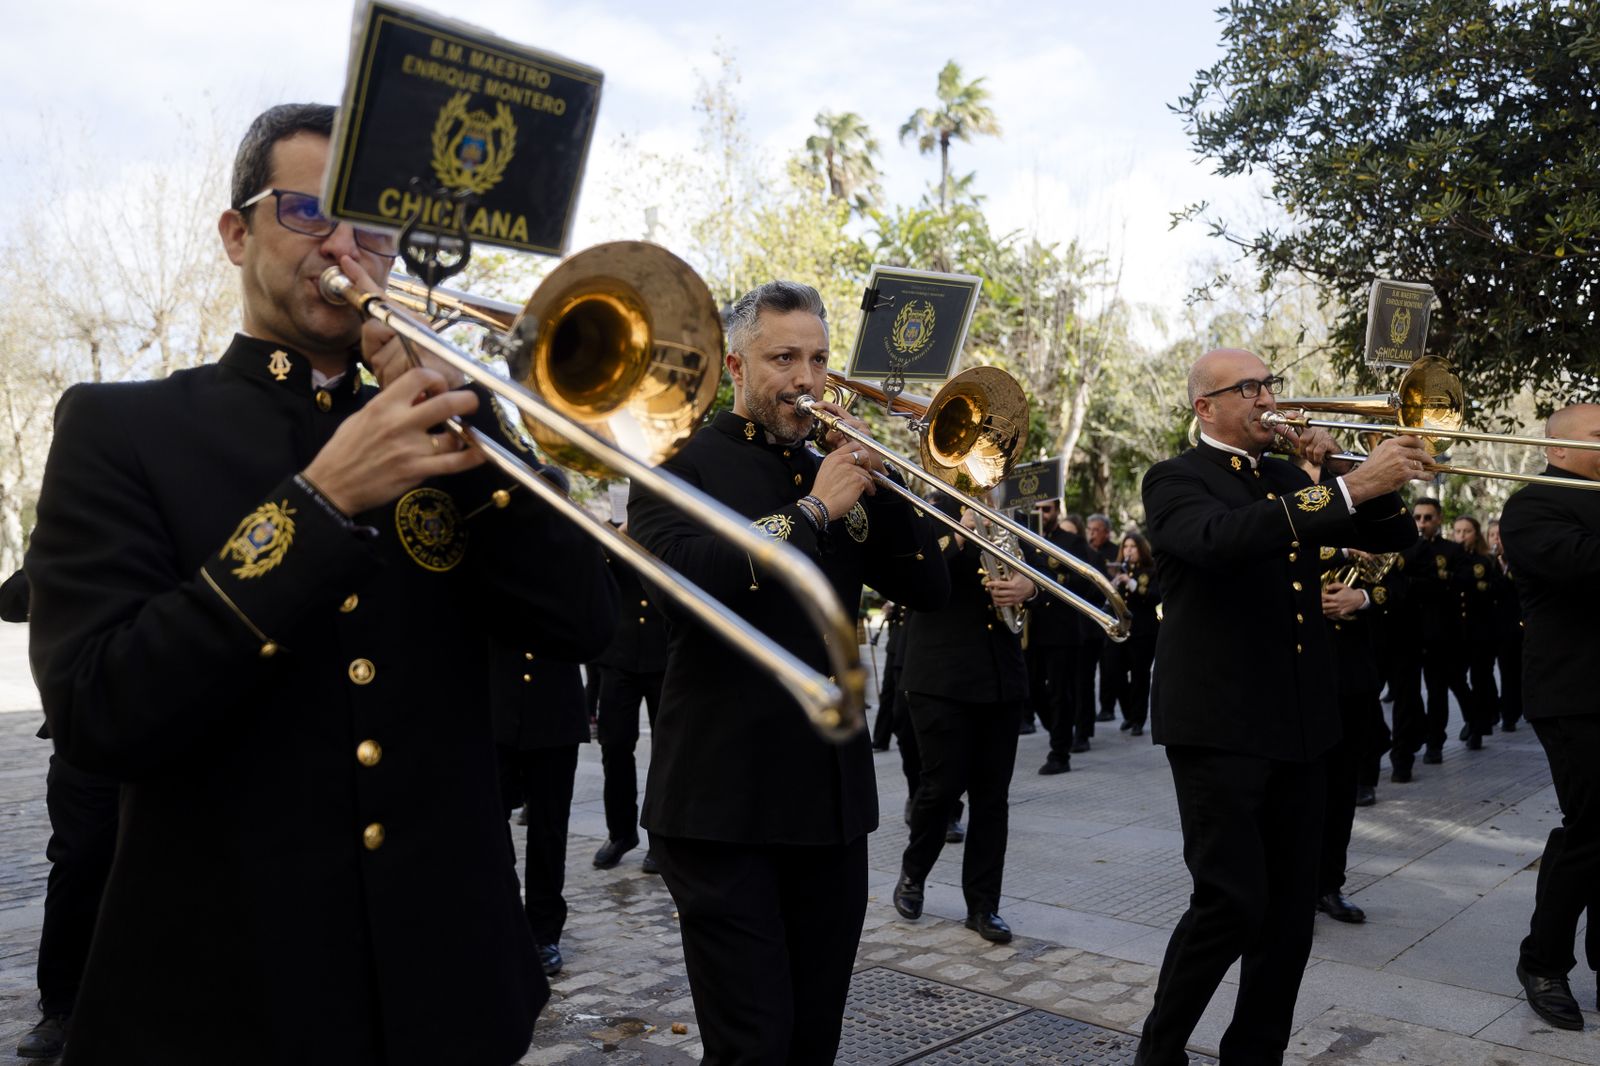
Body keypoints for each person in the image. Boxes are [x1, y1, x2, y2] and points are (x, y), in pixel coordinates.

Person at [24, 103, 618, 1065]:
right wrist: (317, 503)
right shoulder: (122, 429)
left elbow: (583, 622)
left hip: (449, 987)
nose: (345, 248)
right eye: (308, 212)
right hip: (230, 996)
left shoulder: (450, 434)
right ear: (237, 234)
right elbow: (99, 711)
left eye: (373, 229)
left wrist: (476, 426)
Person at [627, 280, 949, 1064]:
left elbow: (930, 587)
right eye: (783, 359)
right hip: (722, 805)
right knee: (753, 1045)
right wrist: (812, 513)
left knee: (813, 1038)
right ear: (736, 366)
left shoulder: (831, 469)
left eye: (818, 359)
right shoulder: (679, 461)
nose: (805, 378)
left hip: (829, 804)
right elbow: (687, 583)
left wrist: (884, 483)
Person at [1134, 348, 1420, 1065]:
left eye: (1270, 385)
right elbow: (1220, 540)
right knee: (1229, 901)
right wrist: (1348, 487)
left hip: (1301, 721)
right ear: (1206, 407)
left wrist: (1356, 474)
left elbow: (1395, 537)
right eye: (1250, 388)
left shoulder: (1290, 476)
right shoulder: (1175, 478)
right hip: (1220, 724)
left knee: (1290, 918)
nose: (1269, 399)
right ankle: (1159, 1052)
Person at [893, 495, 1035, 944]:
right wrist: (959, 533)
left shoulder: (1010, 521)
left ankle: (983, 905)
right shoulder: (924, 511)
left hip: (1000, 677)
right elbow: (912, 578)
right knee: (941, 788)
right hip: (942, 677)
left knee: (992, 799)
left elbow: (1036, 578)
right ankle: (914, 873)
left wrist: (1029, 589)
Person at [1499, 402, 1600, 1032]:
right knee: (1591, 828)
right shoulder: (1532, 505)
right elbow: (1587, 566)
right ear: (1558, 448)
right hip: (1577, 693)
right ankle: (1542, 961)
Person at [4, 571, 120, 1063]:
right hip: (87, 736)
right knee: (79, 866)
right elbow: (11, 601)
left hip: (180, 730)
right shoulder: (82, 543)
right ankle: (61, 1009)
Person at [493, 641, 588, 978]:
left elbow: (595, 632)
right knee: (488, 822)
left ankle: (543, 932)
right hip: (494, 704)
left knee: (549, 829)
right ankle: (502, 915)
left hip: (555, 707)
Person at [591, 524, 668, 874]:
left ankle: (660, 839)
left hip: (661, 654)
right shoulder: (610, 534)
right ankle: (620, 833)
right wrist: (617, 534)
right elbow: (594, 567)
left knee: (666, 752)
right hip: (619, 655)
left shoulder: (663, 523)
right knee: (614, 745)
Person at [1387, 497, 1472, 778]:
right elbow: (1396, 582)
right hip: (1406, 633)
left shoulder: (1452, 550)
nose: (1422, 523)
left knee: (1437, 691)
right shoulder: (1403, 547)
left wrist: (1419, 583)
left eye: (1428, 518)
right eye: (1417, 517)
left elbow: (1455, 585)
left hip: (1440, 634)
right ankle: (1404, 753)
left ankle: (1435, 743)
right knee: (1406, 696)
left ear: (1438, 520)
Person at [1026, 498, 1100, 772]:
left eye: (1047, 509)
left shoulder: (1071, 541)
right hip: (1031, 627)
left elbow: (1086, 581)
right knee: (1031, 687)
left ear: (1057, 510)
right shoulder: (1024, 536)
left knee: (1060, 692)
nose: (1041, 514)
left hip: (1061, 628)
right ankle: (1060, 729)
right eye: (1037, 509)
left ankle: (1059, 753)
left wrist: (1054, 580)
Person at [1452, 515, 1501, 747]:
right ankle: (1472, 717)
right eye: (1458, 531)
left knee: (1480, 679)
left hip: (1481, 630)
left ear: (1476, 534)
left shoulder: (1486, 560)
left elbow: (1496, 590)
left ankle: (1477, 730)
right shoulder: (1449, 557)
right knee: (1455, 677)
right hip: (1456, 631)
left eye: (1467, 531)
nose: (1462, 536)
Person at [1105, 532, 1161, 736]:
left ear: (1141, 549)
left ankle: (1138, 719)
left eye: (1133, 546)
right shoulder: (1119, 570)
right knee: (1114, 671)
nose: (1128, 550)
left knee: (1140, 676)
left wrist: (1130, 582)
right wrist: (1112, 586)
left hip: (1143, 631)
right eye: (1125, 546)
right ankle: (1128, 713)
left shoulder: (1151, 570)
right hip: (1121, 630)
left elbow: (1155, 596)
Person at [1486, 517, 1524, 731]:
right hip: (1490, 627)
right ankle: (1493, 711)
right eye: (1492, 535)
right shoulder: (1485, 562)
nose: (1496, 540)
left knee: (1511, 671)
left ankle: (1510, 714)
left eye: (1500, 535)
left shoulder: (1518, 561)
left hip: (1513, 627)